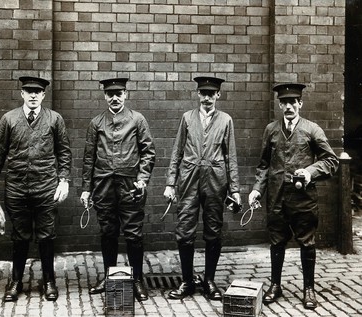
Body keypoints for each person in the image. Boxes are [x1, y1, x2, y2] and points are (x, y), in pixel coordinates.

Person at [248, 83, 339, 309]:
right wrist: (257, 189)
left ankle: (309, 289)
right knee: (277, 241)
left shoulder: (312, 129)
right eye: (284, 102)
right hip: (276, 198)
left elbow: (331, 161)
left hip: (303, 199)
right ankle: (275, 285)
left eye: (293, 102)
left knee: (307, 242)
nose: (289, 106)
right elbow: (263, 165)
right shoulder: (271, 129)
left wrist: (309, 172)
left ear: (301, 104)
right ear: (279, 105)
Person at [0, 76, 72, 302]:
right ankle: (15, 282)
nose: (33, 95)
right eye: (28, 91)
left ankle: (49, 282)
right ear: (22, 93)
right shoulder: (9, 119)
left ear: (43, 95)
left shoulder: (54, 119)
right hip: (17, 188)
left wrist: (63, 180)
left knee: (46, 236)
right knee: (20, 236)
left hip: (45, 187)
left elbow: (64, 152)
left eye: (37, 91)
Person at [163, 76, 241, 300]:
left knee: (213, 231)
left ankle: (209, 280)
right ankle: (187, 281)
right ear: (198, 94)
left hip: (216, 182)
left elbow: (231, 156)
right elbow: (177, 152)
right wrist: (170, 182)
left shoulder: (226, 120)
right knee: (185, 230)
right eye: (203, 93)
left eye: (211, 93)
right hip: (188, 180)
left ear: (218, 95)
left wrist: (234, 189)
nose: (207, 98)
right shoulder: (187, 118)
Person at [80, 78, 156, 301]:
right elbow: (88, 158)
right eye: (110, 94)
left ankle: (137, 280)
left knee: (133, 234)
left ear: (125, 94)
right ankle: (108, 277)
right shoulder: (96, 123)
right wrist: (86, 188)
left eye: (119, 93)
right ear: (105, 96)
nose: (114, 98)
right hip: (103, 185)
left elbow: (148, 152)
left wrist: (142, 179)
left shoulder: (137, 120)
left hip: (130, 185)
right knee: (108, 231)